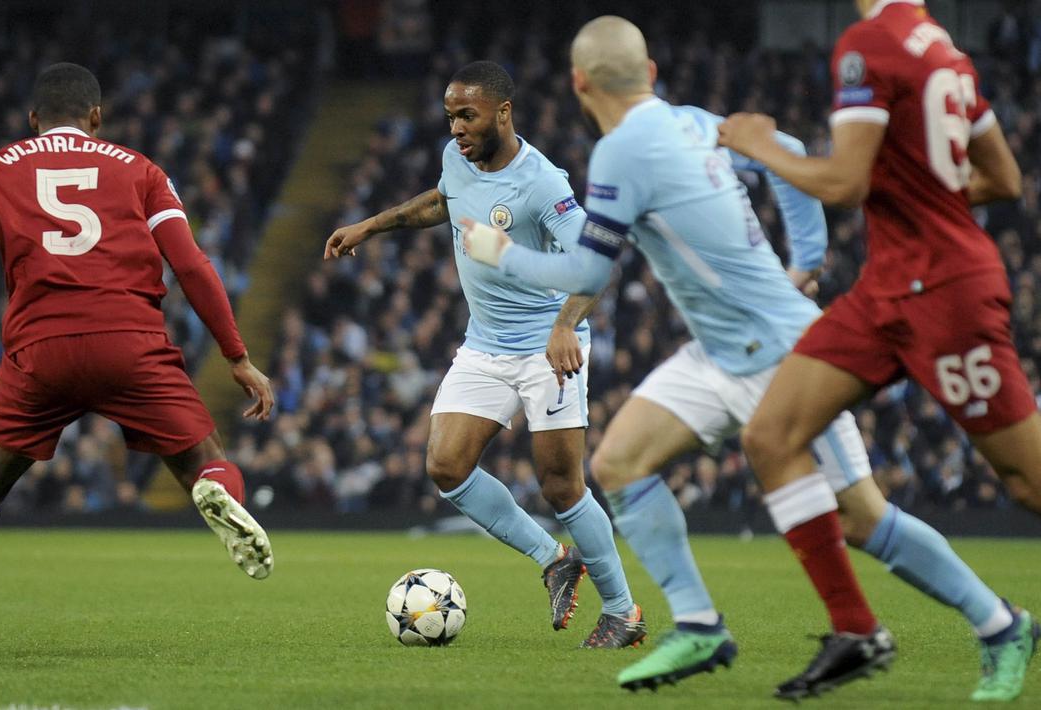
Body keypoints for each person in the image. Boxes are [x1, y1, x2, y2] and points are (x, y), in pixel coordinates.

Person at [465, 15, 1033, 701]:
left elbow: (588, 273)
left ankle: (999, 624)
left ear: (578, 83)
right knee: (618, 464)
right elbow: (784, 149)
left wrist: (499, 252)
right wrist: (809, 258)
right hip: (717, 352)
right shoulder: (693, 121)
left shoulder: (619, 151)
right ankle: (700, 625)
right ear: (648, 74)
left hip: (781, 352)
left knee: (863, 519)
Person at [0, 63, 277, 664]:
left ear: (33, 120)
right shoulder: (142, 170)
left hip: (42, 348)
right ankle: (216, 493)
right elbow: (190, 264)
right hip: (131, 342)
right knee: (206, 461)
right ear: (96, 117)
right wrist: (236, 355)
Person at [718, 0, 1040, 701]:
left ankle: (1001, 629)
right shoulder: (944, 52)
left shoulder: (868, 44)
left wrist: (757, 144)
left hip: (947, 294)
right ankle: (855, 630)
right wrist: (926, 201)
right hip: (884, 290)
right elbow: (1003, 179)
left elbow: (843, 183)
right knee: (771, 436)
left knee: (1026, 483)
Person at [325, 61, 643, 648]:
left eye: (467, 115)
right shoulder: (458, 160)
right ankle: (554, 559)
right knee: (446, 466)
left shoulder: (543, 182)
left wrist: (566, 325)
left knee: (560, 486)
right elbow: (440, 202)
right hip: (485, 344)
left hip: (549, 346)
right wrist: (371, 225)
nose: (456, 128)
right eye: (450, 116)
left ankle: (623, 612)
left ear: (503, 112)